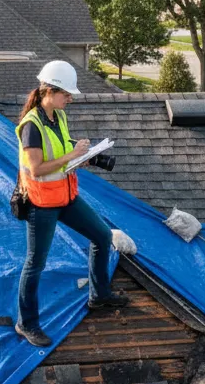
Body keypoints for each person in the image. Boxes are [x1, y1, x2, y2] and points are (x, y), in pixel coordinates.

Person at [15, 60, 128, 347]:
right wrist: (71, 156)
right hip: (42, 204)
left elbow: (62, 151)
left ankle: (99, 296)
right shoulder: (31, 126)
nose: (71, 98)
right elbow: (37, 169)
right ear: (49, 91)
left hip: (65, 196)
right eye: (67, 94)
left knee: (102, 236)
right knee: (35, 263)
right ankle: (26, 323)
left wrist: (83, 156)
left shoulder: (58, 117)